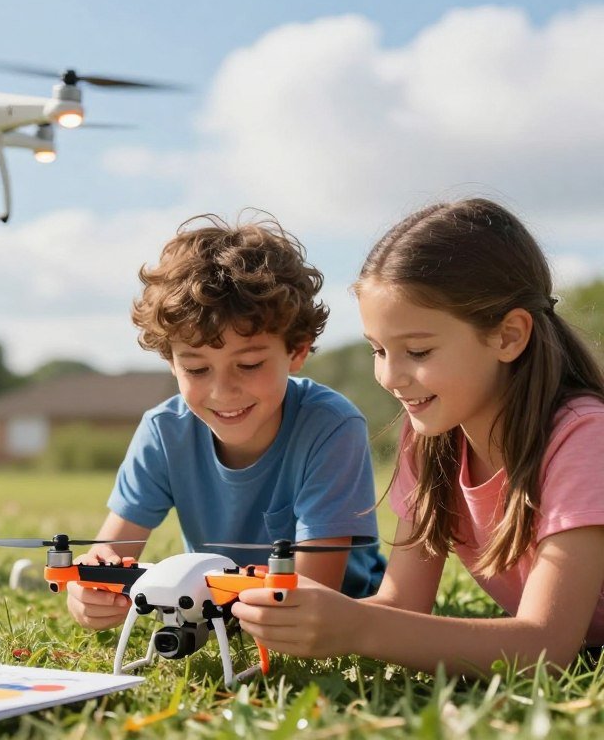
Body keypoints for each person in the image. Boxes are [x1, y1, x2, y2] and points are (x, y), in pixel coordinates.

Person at [232, 198, 604, 675]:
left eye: (418, 350)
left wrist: (356, 627)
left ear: (509, 336)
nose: (390, 376)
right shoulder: (431, 437)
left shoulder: (582, 437)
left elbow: (546, 649)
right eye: (379, 350)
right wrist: (301, 614)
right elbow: (403, 605)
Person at [68, 212, 386, 630]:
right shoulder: (164, 431)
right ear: (171, 363)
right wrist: (90, 591)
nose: (223, 391)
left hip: (336, 610)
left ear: (297, 351)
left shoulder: (331, 426)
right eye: (197, 369)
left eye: (250, 364)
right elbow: (110, 551)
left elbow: (311, 589)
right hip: (218, 609)